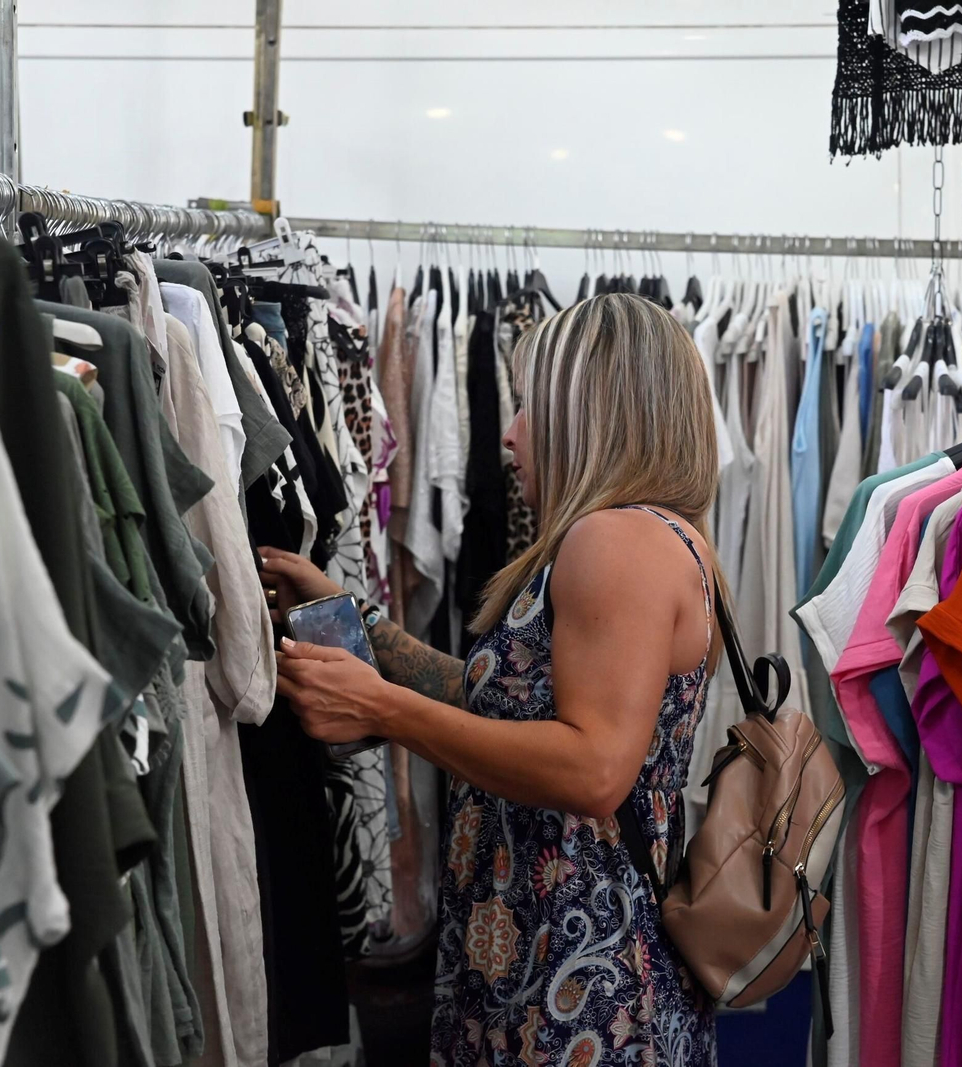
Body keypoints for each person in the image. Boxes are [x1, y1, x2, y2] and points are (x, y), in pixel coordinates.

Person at [259, 293, 723, 1067]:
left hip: (577, 979)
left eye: (532, 406)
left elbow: (594, 767)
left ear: (593, 415)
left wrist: (385, 709)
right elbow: (507, 703)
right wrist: (361, 627)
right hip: (556, 958)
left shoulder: (615, 542)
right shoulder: (648, 534)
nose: (509, 432)